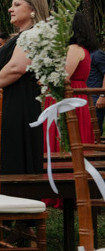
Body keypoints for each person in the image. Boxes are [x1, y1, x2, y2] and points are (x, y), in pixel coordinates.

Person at [0, 0, 49, 175]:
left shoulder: (33, 34)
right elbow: (7, 67)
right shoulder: (22, 36)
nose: (10, 9)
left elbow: (17, 68)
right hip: (8, 99)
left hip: (18, 103)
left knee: (13, 154)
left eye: (17, 5)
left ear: (33, 9)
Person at [43, 12, 98, 149]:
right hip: (71, 95)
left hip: (68, 96)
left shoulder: (73, 49)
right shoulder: (77, 49)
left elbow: (62, 77)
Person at [89, 41, 105, 138]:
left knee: (95, 133)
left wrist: (103, 95)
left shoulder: (97, 54)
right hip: (86, 98)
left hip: (97, 99)